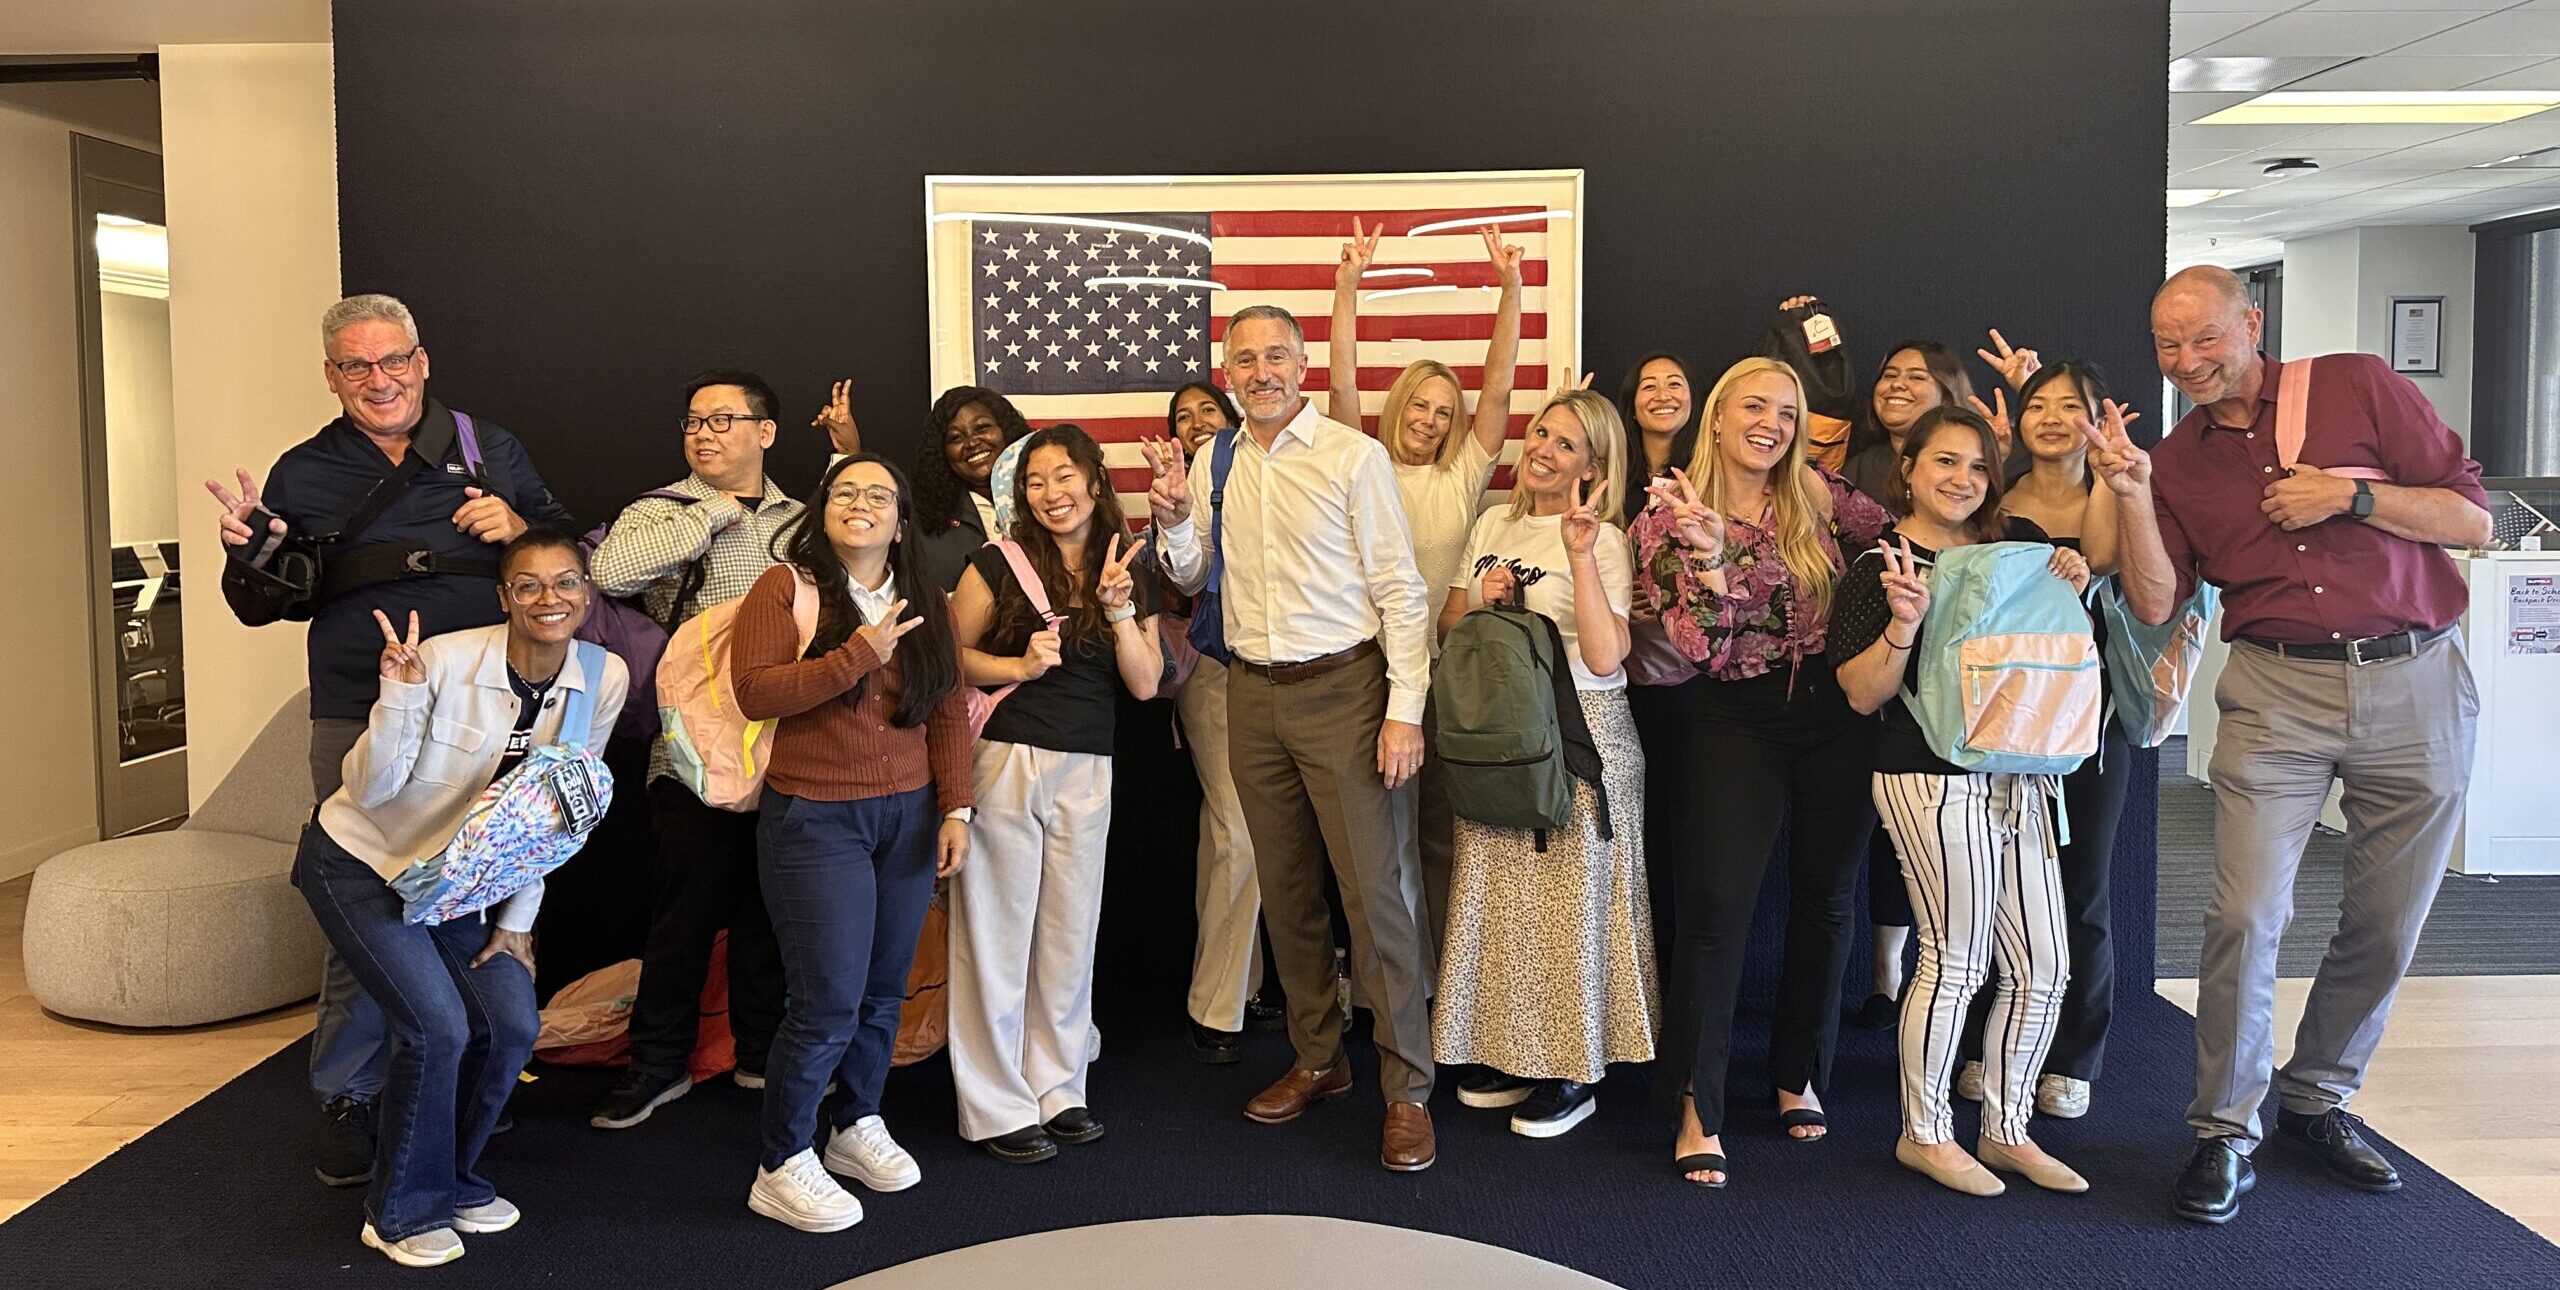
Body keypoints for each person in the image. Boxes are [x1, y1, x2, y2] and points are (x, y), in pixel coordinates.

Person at [2092, 265, 2491, 1227]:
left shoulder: (2354, 384)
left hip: (2416, 679)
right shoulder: (2177, 459)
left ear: (2251, 323)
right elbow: (2154, 602)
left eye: (2204, 339)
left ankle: (2319, 1096)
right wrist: (2136, 495)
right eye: (2167, 346)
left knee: (2388, 919)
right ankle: (2224, 1131)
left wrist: (2353, 499)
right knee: (2244, 913)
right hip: (2276, 693)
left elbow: (2470, 519)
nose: (2187, 363)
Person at [205, 292, 575, 1189]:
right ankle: (349, 1092)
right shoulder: (305, 470)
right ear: (332, 376)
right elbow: (265, 604)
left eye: (394, 360)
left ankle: (460, 1069)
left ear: (422, 359)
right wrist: (246, 555)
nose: (380, 380)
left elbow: (565, 559)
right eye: (357, 367)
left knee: (472, 889)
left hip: (487, 703)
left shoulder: (489, 448)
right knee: (363, 908)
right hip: (357, 709)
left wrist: (517, 529)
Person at [1148, 304, 1440, 1172]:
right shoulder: (1215, 457)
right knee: (1286, 892)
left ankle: (1408, 1089)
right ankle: (1320, 1059)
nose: (1261, 371)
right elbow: (1194, 574)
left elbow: (1401, 589)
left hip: (1347, 691)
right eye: (1246, 359)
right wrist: (1169, 519)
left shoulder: (1354, 456)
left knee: (1374, 900)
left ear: (1304, 364)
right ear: (1229, 370)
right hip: (1250, 694)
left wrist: (1404, 709)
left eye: (1276, 355)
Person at [295, 528, 627, 1266]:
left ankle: (449, 1176)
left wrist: (516, 925)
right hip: (359, 863)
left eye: (567, 582)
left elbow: (553, 816)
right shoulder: (443, 660)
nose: (551, 599)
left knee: (510, 1024)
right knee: (436, 1028)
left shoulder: (602, 678)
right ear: (504, 596)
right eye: (530, 585)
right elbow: (370, 790)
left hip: (456, 882)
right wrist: (401, 697)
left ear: (587, 592)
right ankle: (400, 1211)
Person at [1630, 356, 1892, 1187]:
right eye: (1754, 404)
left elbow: (1905, 543)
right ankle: (1698, 1102)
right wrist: (1709, 555)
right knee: (1715, 908)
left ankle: (1798, 1073)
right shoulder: (1669, 513)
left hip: (1838, 713)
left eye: (1787, 409)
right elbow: (1701, 646)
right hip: (1734, 716)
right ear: (1715, 416)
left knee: (1826, 901)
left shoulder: (1819, 493)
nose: (1772, 422)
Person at [1832, 406, 2093, 1197]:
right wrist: (1905, 626)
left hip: (2025, 772)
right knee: (1956, 959)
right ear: (1906, 469)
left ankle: (2008, 1130)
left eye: (1978, 467)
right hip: (1928, 773)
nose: (1962, 479)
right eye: (1944, 462)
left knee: (2045, 963)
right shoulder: (1877, 561)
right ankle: (1926, 1132)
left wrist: (2071, 585)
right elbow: (1858, 694)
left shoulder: (2016, 551)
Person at [728, 454, 974, 1233]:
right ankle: (781, 1161)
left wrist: (956, 809)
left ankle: (855, 1123)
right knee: (825, 1002)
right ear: (822, 509)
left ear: (902, 518)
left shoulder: (923, 597)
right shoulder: (785, 589)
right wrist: (859, 653)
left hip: (905, 817)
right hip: (815, 820)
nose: (860, 503)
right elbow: (757, 691)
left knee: (880, 993)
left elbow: (945, 705)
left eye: (878, 494)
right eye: (844, 492)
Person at [584, 369, 824, 1130]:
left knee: (769, 912)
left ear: (767, 431)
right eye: (694, 421)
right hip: (691, 748)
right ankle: (657, 1066)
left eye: (723, 420)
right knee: (682, 916)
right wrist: (713, 514)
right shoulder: (663, 510)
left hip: (788, 743)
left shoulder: (806, 519)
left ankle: (758, 1053)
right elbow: (608, 572)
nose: (705, 433)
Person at [1431, 390, 1654, 1136]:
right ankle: (1511, 1051)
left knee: (1570, 907)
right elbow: (1451, 623)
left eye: (1566, 443)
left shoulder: (1604, 538)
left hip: (1580, 734)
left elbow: (1604, 654)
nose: (1545, 450)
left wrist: (1582, 553)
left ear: (1594, 463)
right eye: (1541, 433)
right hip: (1502, 736)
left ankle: (1571, 1069)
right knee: (1505, 901)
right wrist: (1493, 601)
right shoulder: (1494, 522)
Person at [948, 426, 1164, 1162]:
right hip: (1007, 758)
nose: (1052, 494)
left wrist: (1119, 609)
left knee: (1069, 933)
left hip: (1089, 765)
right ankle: (995, 1102)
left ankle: (1059, 1085)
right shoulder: (995, 562)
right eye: (1035, 481)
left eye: (1064, 476)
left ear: (1095, 481)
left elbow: (1144, 682)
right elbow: (947, 660)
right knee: (995, 933)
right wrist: (1018, 662)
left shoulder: (1131, 565)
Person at [1328, 222, 1526, 959]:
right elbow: (1342, 384)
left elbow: (1499, 384)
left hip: (1446, 682)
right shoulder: (1361, 461)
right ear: (1399, 405)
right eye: (1420, 405)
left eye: (1445, 411)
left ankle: (1445, 982)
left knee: (1442, 836)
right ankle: (1391, 975)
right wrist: (1347, 289)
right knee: (1379, 842)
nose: (1430, 420)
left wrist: (1510, 288)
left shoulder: (1462, 474)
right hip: (1363, 676)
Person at [1946, 360, 2128, 1120]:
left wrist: (2113, 479)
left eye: (2070, 407)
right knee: (1991, 885)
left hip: (2086, 712)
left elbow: (2107, 563)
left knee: (2080, 884)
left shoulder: (2106, 494)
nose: (2051, 418)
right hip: (2002, 710)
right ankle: (1988, 1045)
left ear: (2095, 417)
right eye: (2037, 406)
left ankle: (2072, 1057)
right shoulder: (1999, 496)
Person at [1159, 381, 1289, 1062]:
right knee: (1236, 827)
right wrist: (1171, 518)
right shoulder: (1175, 494)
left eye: (1206, 410)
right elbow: (1181, 579)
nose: (1194, 422)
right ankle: (1213, 1007)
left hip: (1284, 666)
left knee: (1261, 830)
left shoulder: (1275, 467)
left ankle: (1252, 985)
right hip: (1212, 664)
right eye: (1182, 417)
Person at [1615, 352, 1701, 973]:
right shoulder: (1610, 475)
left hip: (1689, 687)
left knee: (1680, 844)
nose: (1663, 393)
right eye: (1649, 384)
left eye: (1676, 383)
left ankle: (1676, 985)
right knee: (1626, 842)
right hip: (1616, 686)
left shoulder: (1711, 478)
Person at [914, 386, 1036, 590]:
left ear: (1006, 430)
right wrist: (849, 454)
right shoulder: (926, 523)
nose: (972, 442)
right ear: (942, 453)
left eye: (982, 428)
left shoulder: (1045, 499)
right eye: (956, 438)